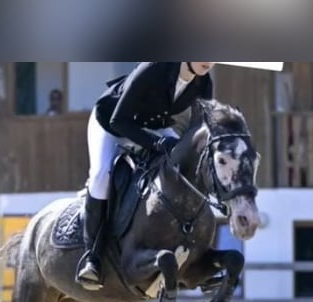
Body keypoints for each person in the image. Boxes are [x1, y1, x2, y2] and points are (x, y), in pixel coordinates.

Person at [75, 62, 216, 290]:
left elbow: (203, 126)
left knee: (183, 165)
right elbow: (118, 121)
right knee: (101, 175)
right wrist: (157, 142)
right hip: (112, 124)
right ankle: (92, 258)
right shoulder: (154, 68)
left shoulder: (204, 82)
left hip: (154, 127)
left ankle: (199, 264)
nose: (209, 62)